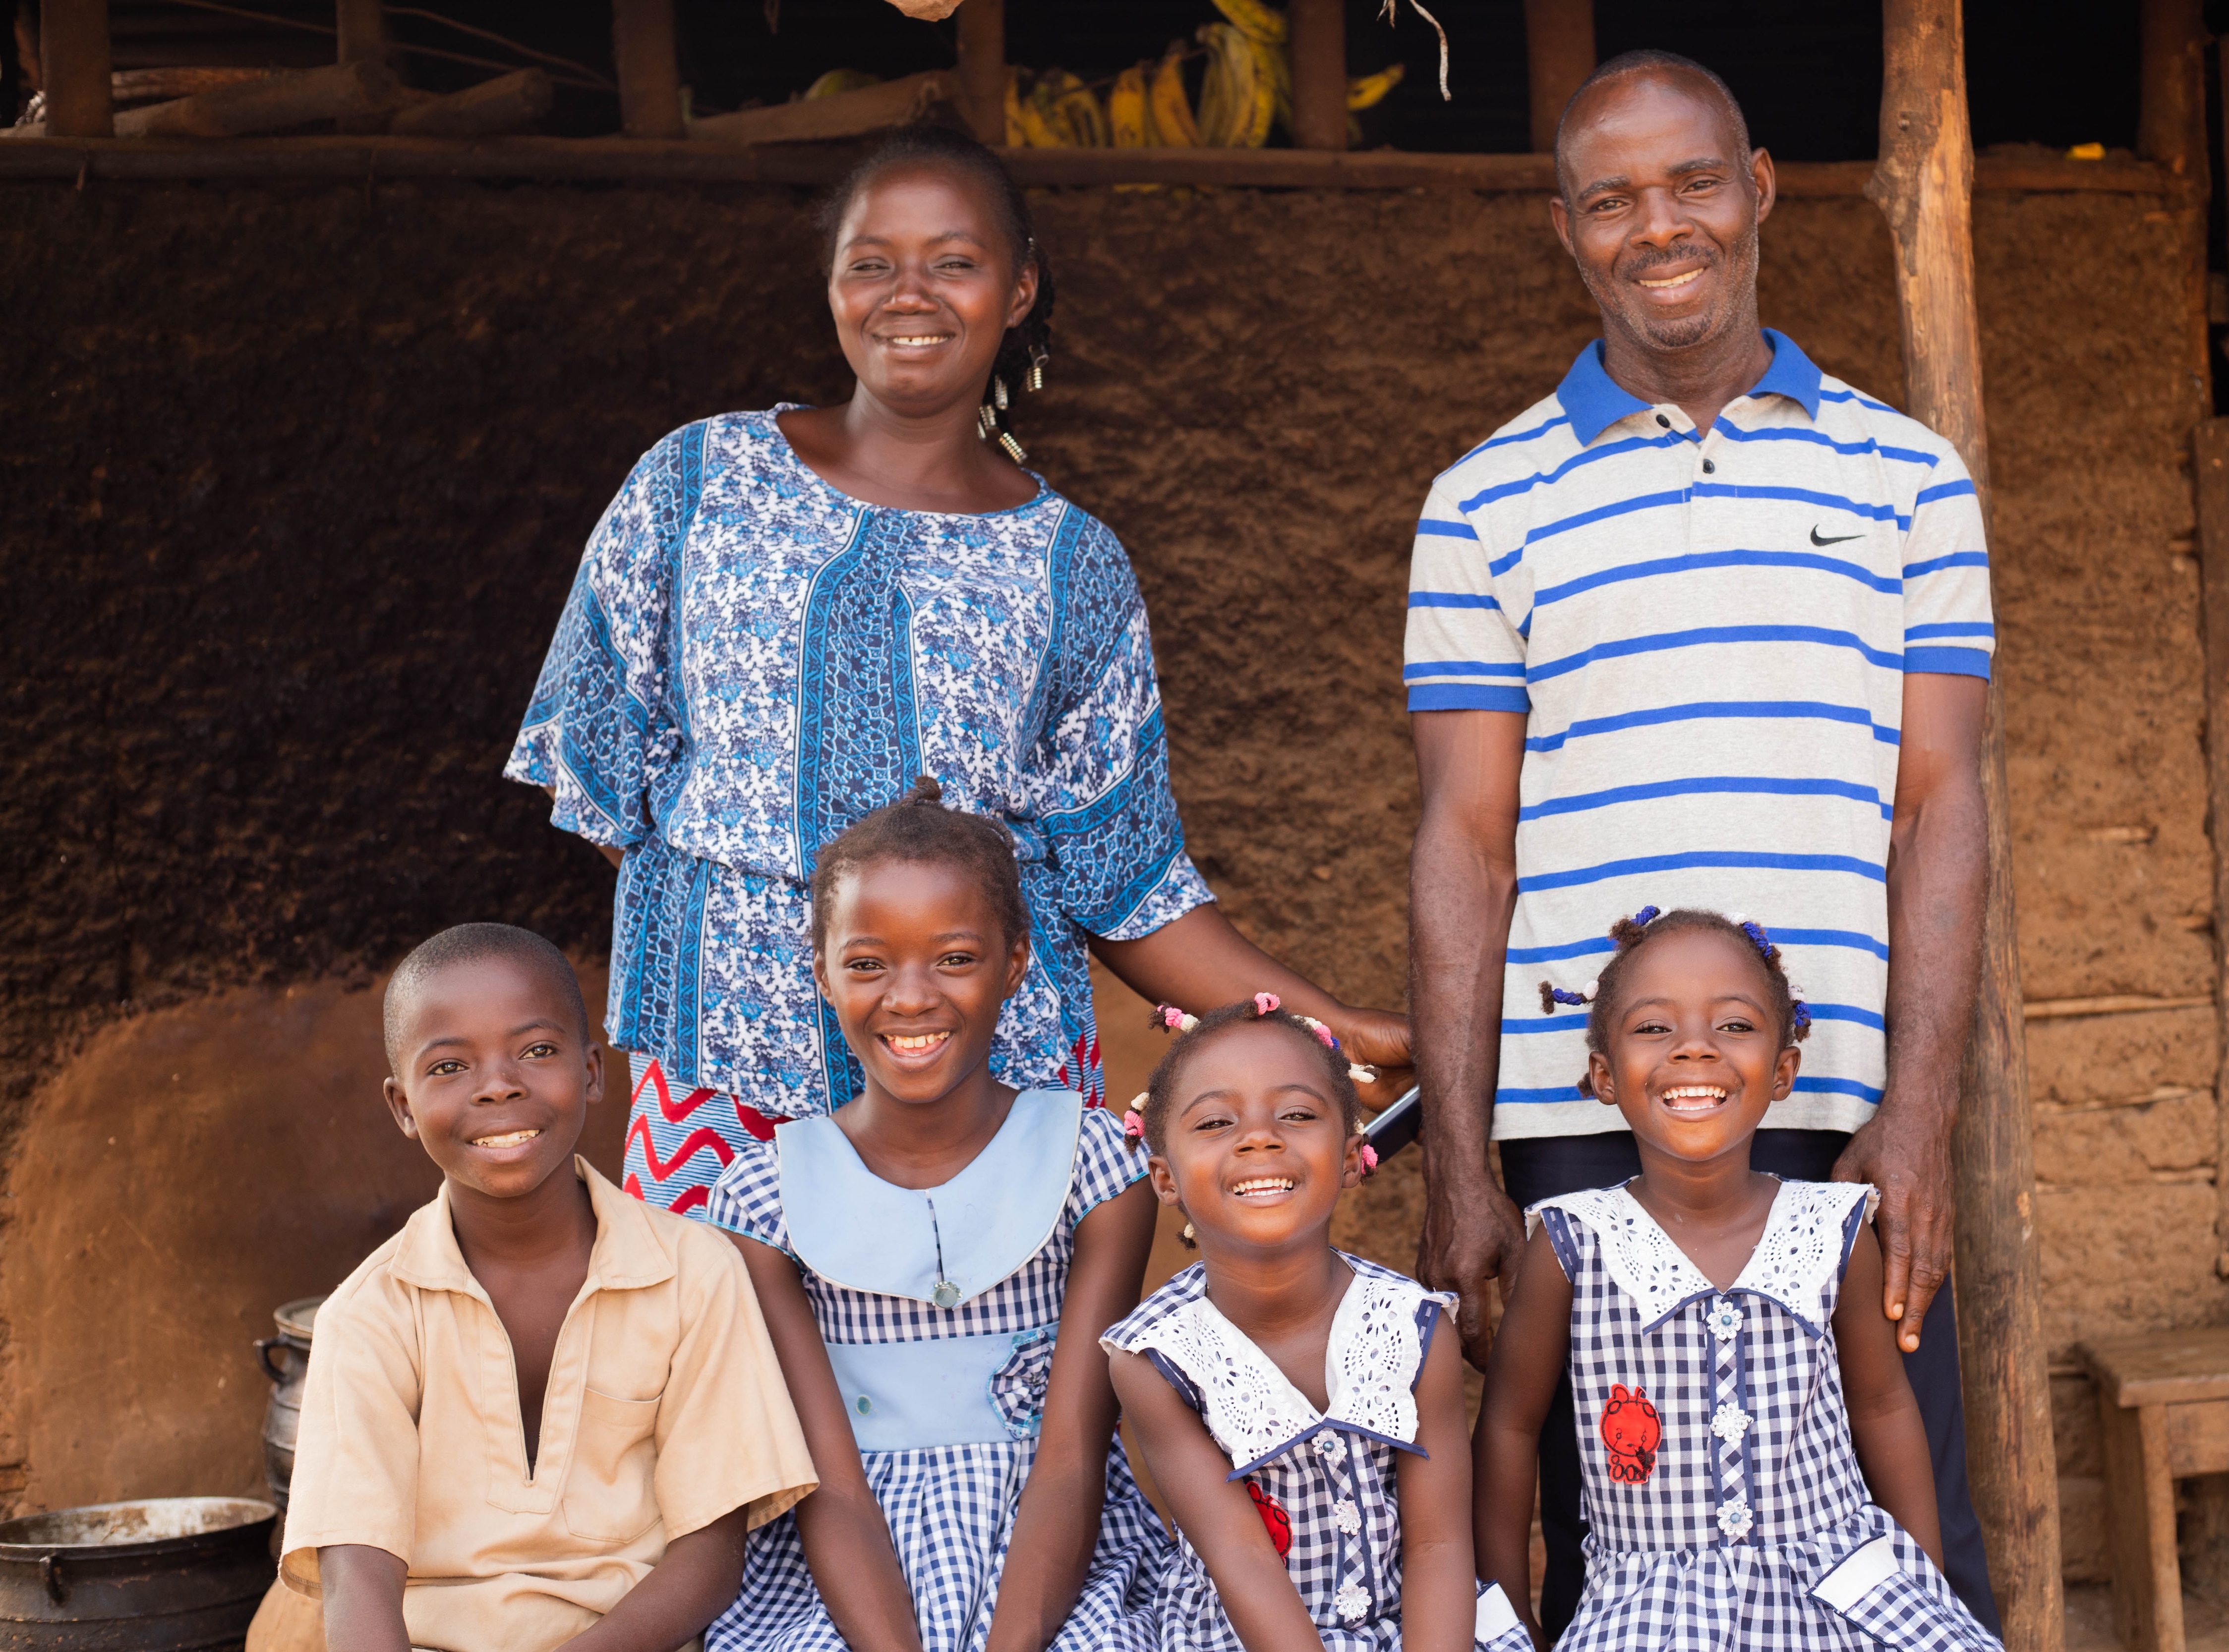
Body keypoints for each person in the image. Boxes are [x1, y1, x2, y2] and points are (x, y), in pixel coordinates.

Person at [506, 123, 1408, 1219]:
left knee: (981, 1384)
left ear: (1019, 287)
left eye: (954, 260)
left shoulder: (1073, 563)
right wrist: (752, 919)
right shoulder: (696, 480)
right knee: (722, 1382)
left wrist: (1326, 1023)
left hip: (989, 1093)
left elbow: (1125, 881)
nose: (909, 292)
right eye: (871, 261)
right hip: (725, 1081)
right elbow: (603, 776)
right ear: (832, 284)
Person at [1402, 50, 1998, 1635]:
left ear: (1758, 192)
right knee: (1625, 1556)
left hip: (1841, 1104)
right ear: (1567, 231)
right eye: (1611, 200)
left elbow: (1943, 805)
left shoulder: (1911, 483)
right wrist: (1465, 1161)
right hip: (1579, 1115)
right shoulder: (1482, 504)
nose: (1657, 226)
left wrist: (1919, 1116)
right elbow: (1465, 843)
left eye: (1690, 184)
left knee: (1889, 1542)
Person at [703, 779, 1167, 1652]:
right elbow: (829, 1484)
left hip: (1057, 1558)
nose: (910, 998)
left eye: (954, 957)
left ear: (1016, 960)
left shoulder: (1094, 1163)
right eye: (869, 963)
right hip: (844, 1572)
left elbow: (1071, 1454)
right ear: (822, 972)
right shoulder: (762, 1198)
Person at [270, 924, 817, 1652]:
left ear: (592, 1071)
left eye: (536, 1050)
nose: (498, 1083)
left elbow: (710, 1558)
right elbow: (357, 1574)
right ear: (403, 1106)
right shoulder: (370, 1314)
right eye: (449, 1066)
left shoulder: (695, 1273)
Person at [1472, 908, 1999, 1651]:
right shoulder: (1572, 1245)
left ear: (1783, 1071)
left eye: (1735, 1026)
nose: (1694, 1048)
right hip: (1649, 1607)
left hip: (1841, 1591)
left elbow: (1883, 1410)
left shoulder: (1833, 1231)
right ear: (1603, 1075)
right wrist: (1507, 1616)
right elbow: (1509, 1427)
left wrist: (1919, 1585)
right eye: (1654, 1028)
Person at [1103, 993, 1530, 1652]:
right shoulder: (1156, 1359)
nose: (1260, 1136)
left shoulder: (1414, 1328)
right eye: (1216, 1122)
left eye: (1298, 1114)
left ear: (1354, 1155)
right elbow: (1240, 1555)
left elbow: (1439, 1542)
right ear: (1165, 1177)